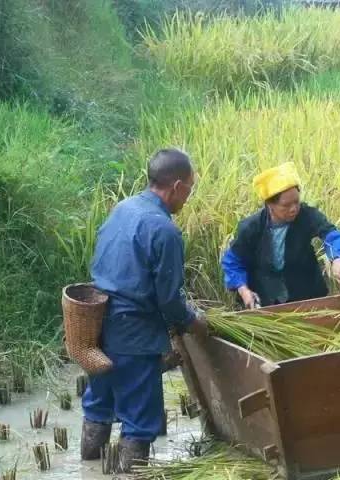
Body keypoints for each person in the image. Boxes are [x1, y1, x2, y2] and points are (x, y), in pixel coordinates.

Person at [81, 148, 207, 472]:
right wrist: (194, 323)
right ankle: (130, 474)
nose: (187, 198)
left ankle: (88, 467)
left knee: (99, 404)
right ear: (177, 186)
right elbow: (169, 299)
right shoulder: (164, 231)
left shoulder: (122, 209)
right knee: (140, 419)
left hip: (97, 324)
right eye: (189, 189)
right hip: (134, 332)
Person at [221, 162, 340, 308]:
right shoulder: (251, 227)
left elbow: (331, 234)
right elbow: (233, 261)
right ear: (270, 205)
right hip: (267, 301)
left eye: (296, 202)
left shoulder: (306, 216)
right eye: (286, 205)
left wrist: (338, 259)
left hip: (308, 296)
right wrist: (244, 290)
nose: (294, 209)